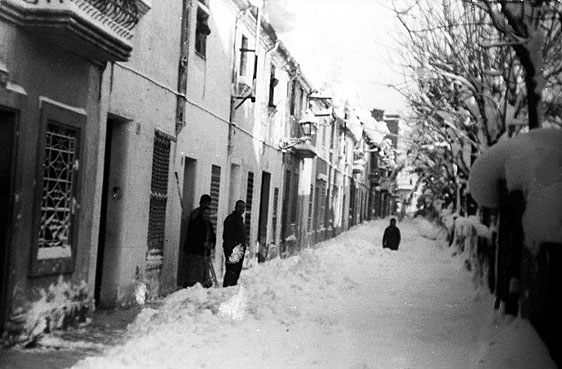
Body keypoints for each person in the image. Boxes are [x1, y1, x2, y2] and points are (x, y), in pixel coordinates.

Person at [184, 206, 216, 288]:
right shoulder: (195, 223)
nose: (207, 216)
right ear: (201, 214)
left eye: (208, 214)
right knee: (195, 272)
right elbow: (192, 237)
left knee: (203, 272)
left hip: (204, 253)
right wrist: (202, 243)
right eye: (205, 213)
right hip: (195, 252)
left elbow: (212, 236)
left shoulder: (209, 224)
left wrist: (212, 243)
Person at [222, 200, 247, 287]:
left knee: (236, 270)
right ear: (235, 207)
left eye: (243, 207)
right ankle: (228, 287)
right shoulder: (231, 219)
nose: (242, 209)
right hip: (233, 249)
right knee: (231, 270)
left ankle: (232, 286)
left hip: (239, 249)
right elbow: (227, 236)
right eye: (240, 207)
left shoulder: (240, 220)